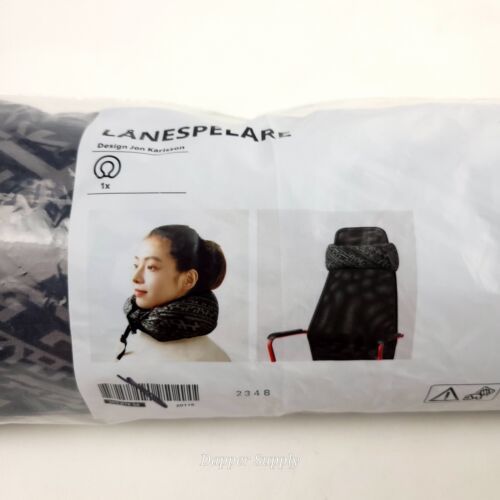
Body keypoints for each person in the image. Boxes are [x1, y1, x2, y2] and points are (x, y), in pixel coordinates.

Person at [116, 225, 230, 362]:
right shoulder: (134, 337)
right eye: (136, 265)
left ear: (188, 279)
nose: (135, 277)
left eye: (151, 267)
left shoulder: (208, 359)